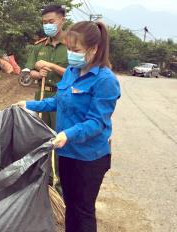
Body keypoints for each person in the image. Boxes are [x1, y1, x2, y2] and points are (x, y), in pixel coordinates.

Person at [18, 21, 121, 232]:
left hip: (89, 158)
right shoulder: (72, 72)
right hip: (66, 152)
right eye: (69, 49)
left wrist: (68, 133)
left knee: (83, 210)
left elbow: (97, 122)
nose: (71, 55)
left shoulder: (105, 80)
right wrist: (29, 105)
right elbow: (58, 101)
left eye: (76, 50)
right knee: (70, 206)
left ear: (94, 49)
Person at [24, 4, 68, 194]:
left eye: (51, 22)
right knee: (41, 141)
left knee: (61, 143)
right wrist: (36, 74)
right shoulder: (38, 46)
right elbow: (26, 74)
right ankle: (44, 183)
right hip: (41, 97)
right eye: (44, 23)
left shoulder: (73, 46)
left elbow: (79, 75)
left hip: (63, 100)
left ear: (62, 20)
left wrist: (51, 66)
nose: (47, 25)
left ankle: (61, 188)